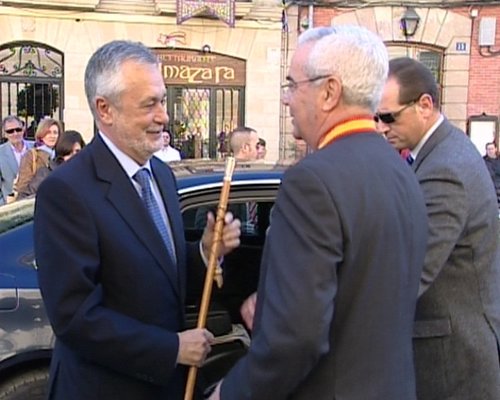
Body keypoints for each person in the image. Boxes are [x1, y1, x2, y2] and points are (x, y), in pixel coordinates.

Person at [209, 26, 428, 400]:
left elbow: (295, 338)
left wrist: (229, 393)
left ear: (329, 92)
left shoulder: (311, 181)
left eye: (293, 85)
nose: (286, 99)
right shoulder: (400, 170)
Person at [34, 40, 241, 400]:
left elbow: (158, 272)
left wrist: (205, 252)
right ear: (105, 109)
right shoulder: (66, 191)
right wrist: (171, 349)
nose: (164, 116)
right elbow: (76, 318)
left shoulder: (161, 175)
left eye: (162, 101)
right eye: (149, 104)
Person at [376, 57, 500, 400]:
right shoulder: (441, 151)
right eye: (377, 117)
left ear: (425, 105)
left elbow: (409, 274)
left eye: (389, 117)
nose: (382, 127)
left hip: (453, 362)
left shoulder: (445, 169)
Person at [17, 130, 85, 200]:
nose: (74, 156)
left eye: (77, 151)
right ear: (61, 153)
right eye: (68, 152)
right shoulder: (46, 174)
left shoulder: (87, 174)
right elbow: (23, 198)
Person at [16, 117, 62, 198]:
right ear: (41, 134)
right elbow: (23, 188)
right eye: (48, 132)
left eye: (55, 133)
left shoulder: (61, 155)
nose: (52, 136)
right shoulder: (31, 155)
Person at [0, 115, 33, 205]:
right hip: (10, 206)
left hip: (34, 202)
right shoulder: (1, 153)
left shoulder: (35, 148)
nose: (15, 134)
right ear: (5, 134)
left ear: (23, 129)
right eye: (10, 131)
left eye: (18, 129)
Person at [483, 141, 500, 207]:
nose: (490, 151)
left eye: (492, 149)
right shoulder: (483, 161)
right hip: (490, 189)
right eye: (488, 149)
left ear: (495, 149)